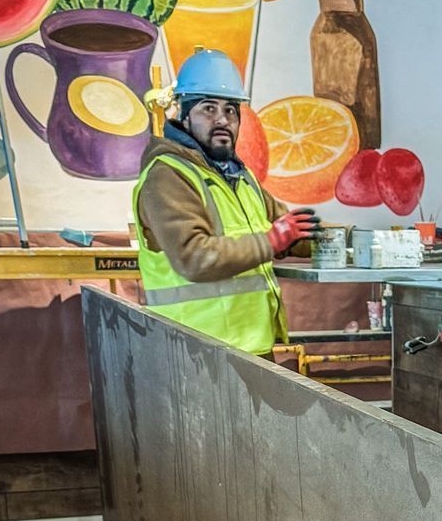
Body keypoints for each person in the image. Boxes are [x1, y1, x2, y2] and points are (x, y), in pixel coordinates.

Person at [133, 49, 317, 354]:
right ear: (183, 114)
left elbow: (290, 232)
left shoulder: (239, 177)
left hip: (251, 347)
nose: (222, 119)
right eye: (208, 108)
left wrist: (349, 241)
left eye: (231, 110)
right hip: (196, 353)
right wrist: (270, 241)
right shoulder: (166, 176)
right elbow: (194, 257)